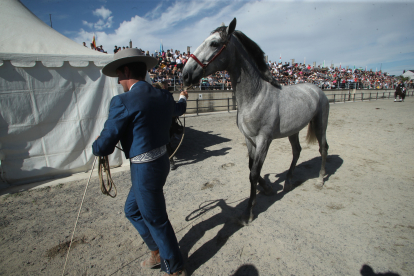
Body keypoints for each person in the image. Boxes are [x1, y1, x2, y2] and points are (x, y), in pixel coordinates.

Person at [92, 48, 188, 276]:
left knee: (155, 218)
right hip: (161, 162)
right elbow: (179, 108)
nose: (118, 81)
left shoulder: (122, 101)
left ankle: (174, 268)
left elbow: (104, 146)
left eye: (119, 75)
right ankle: (156, 251)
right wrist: (183, 95)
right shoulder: (163, 95)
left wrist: (97, 145)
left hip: (144, 169)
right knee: (132, 210)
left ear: (126, 70)